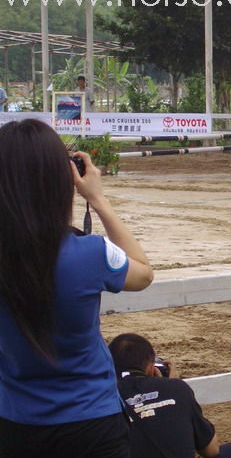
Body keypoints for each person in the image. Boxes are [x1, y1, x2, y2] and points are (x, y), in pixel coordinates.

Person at [0, 119, 154, 457]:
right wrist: (97, 199)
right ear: (61, 180)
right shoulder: (90, 253)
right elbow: (143, 273)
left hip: (14, 423)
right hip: (93, 424)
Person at [109, 333, 231, 458]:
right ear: (151, 368)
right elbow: (211, 450)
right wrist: (172, 385)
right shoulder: (177, 388)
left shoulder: (103, 398)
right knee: (230, 452)